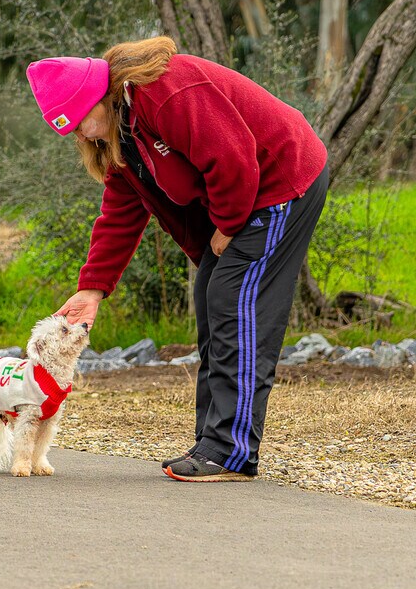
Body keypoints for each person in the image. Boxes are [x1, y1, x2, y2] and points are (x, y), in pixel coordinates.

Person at [26, 36, 329, 481]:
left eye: (78, 122)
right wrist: (92, 288)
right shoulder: (121, 136)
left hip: (281, 180)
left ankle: (231, 452)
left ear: (99, 96)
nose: (79, 134)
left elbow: (232, 157)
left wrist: (227, 225)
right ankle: (213, 441)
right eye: (67, 129)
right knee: (210, 298)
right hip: (246, 198)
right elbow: (120, 215)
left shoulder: (166, 91)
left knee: (234, 303)